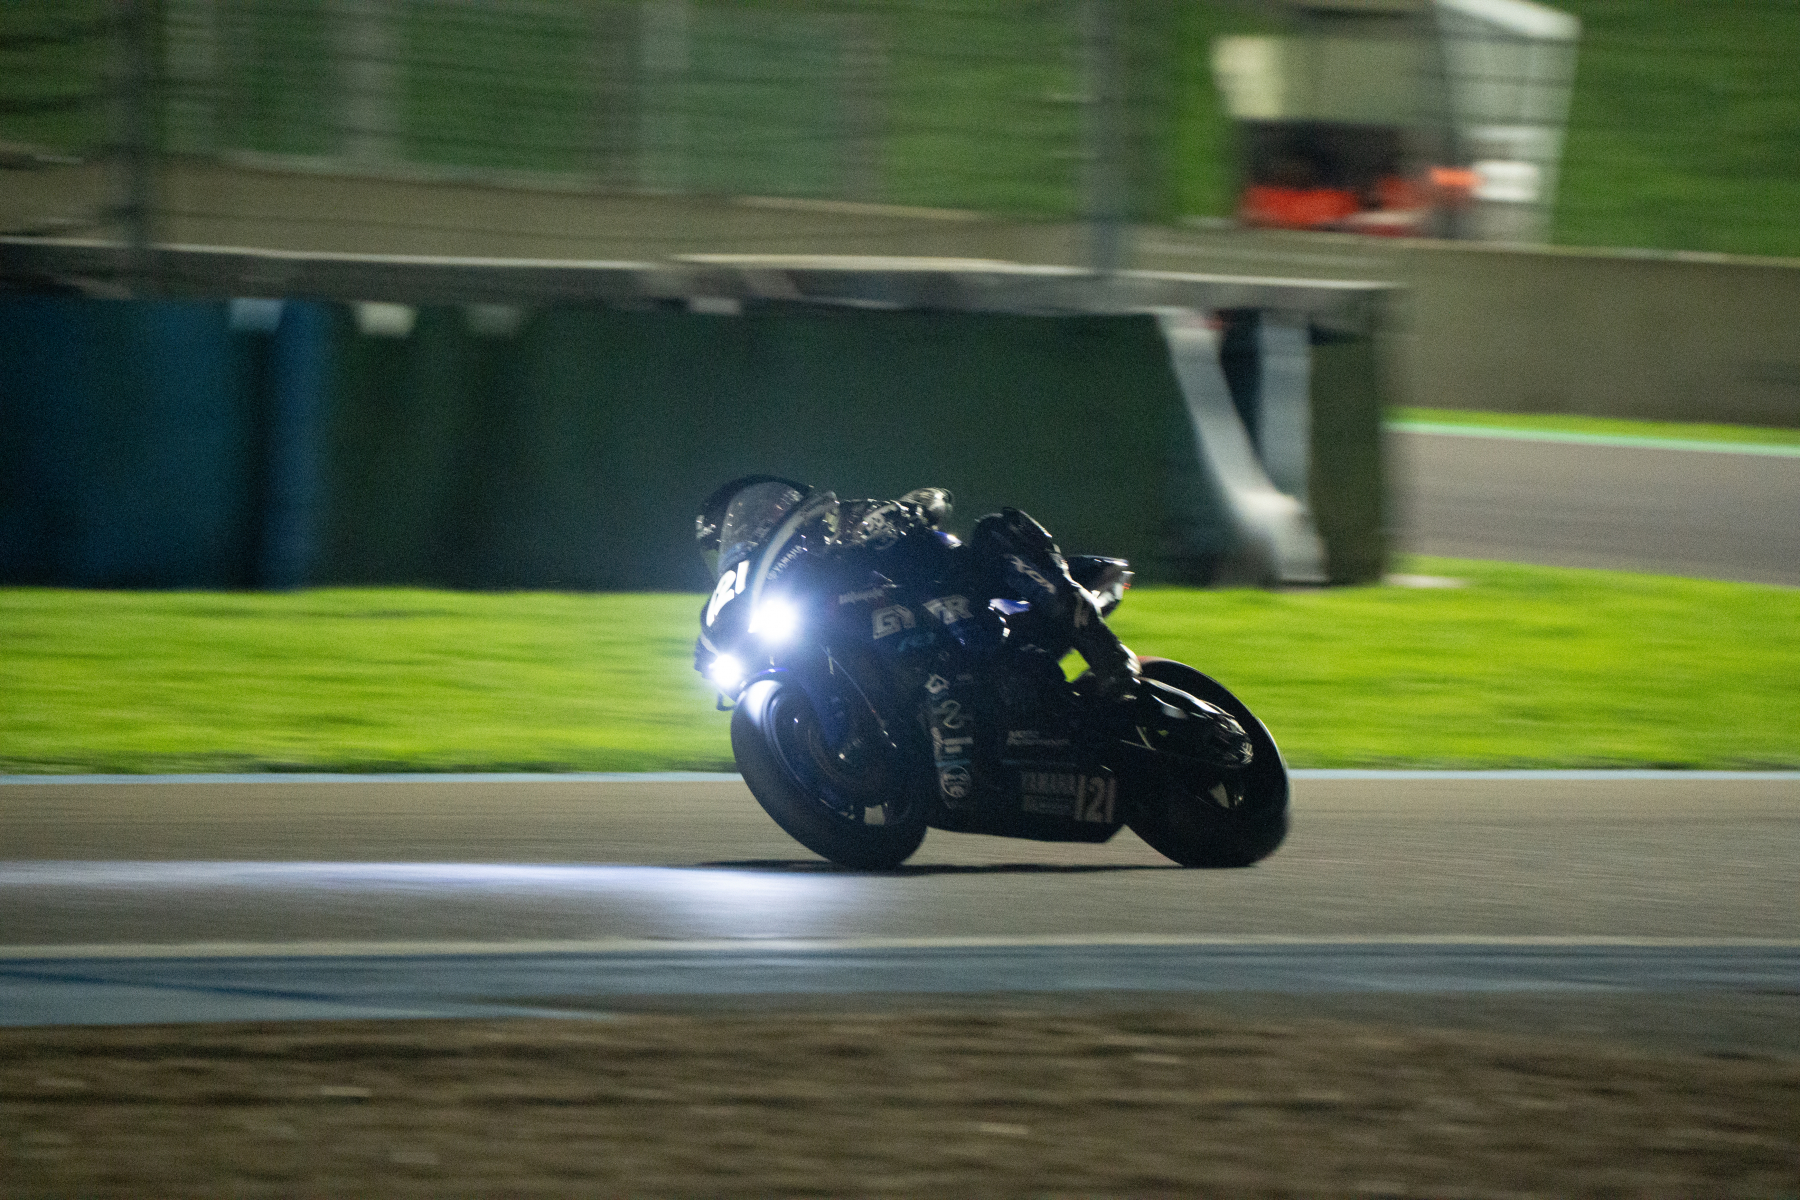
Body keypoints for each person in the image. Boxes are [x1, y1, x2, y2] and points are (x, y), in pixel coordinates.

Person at [695, 478, 1143, 806]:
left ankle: (1107, 655)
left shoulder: (843, 524)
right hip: (915, 647)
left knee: (995, 530)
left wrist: (904, 511)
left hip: (977, 602)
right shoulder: (782, 592)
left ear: (779, 509)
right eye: (730, 540)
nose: (744, 538)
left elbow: (933, 499)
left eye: (749, 523)